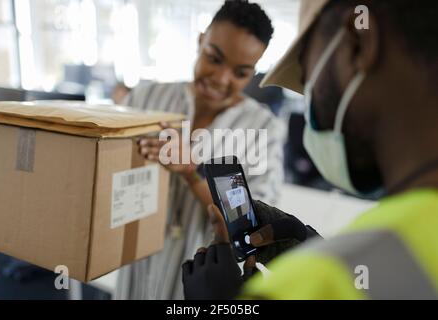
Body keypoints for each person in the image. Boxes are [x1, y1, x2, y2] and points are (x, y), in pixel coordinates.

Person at [183, 0, 438, 300]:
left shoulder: (313, 282)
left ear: (358, 46)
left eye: (307, 77)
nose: (309, 100)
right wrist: (306, 245)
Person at [118, 0, 286, 300]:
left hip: (195, 288)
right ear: (200, 42)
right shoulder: (146, 98)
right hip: (136, 273)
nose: (221, 79)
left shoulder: (263, 129)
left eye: (241, 72)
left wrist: (191, 170)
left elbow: (252, 227)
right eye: (214, 58)